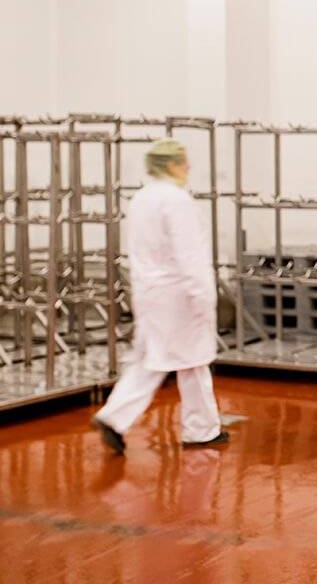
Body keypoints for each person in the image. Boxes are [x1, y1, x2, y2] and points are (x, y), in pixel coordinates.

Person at [93, 139, 228, 454]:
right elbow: (189, 254)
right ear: (171, 165)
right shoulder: (177, 201)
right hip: (179, 294)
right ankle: (199, 430)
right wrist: (204, 296)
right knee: (191, 360)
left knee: (152, 358)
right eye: (183, 161)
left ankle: (118, 416)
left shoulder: (142, 198)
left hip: (149, 291)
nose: (188, 167)